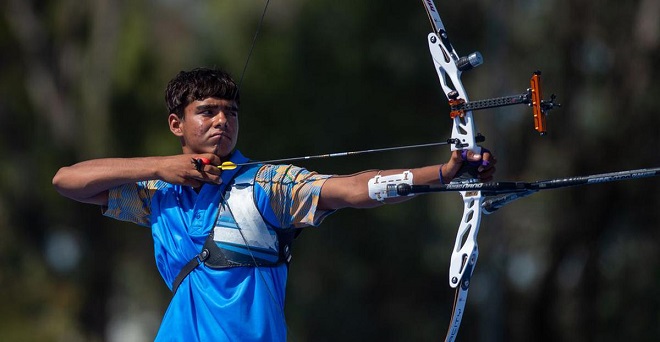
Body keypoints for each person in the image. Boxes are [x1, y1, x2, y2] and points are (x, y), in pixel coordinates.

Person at [52, 67, 496, 341]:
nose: (222, 121)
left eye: (231, 112)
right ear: (176, 123)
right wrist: (161, 167)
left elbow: (353, 188)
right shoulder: (158, 194)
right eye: (207, 111)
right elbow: (68, 181)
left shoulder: (267, 185)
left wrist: (441, 173)